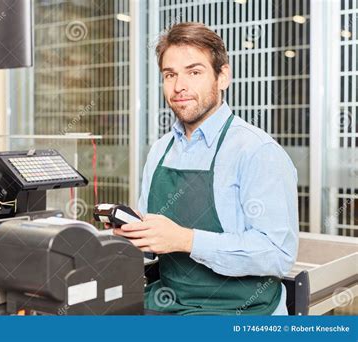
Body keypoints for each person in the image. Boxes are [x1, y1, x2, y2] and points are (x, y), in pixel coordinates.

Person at [113, 22, 299, 315]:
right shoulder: (160, 151)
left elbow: (277, 254)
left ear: (223, 76)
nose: (179, 86)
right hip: (169, 301)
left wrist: (186, 240)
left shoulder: (256, 151)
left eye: (194, 72)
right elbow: (152, 244)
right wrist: (132, 235)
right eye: (170, 75)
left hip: (241, 309)